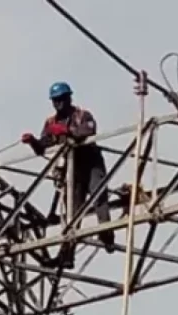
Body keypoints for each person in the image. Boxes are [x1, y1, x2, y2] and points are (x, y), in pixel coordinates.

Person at [21, 81, 115, 263]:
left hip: (91, 162)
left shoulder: (82, 115)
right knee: (72, 210)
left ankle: (107, 235)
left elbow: (87, 132)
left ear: (68, 98)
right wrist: (33, 141)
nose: (58, 104)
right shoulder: (50, 122)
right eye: (55, 100)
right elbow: (44, 145)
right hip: (73, 168)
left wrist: (68, 131)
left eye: (61, 99)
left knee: (98, 196)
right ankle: (67, 254)